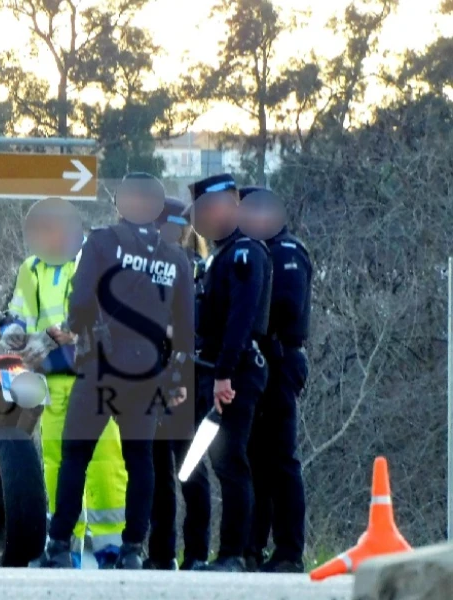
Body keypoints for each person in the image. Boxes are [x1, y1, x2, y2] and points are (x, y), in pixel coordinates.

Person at [39, 173, 194, 570]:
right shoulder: (176, 259)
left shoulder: (104, 241)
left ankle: (58, 545)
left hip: (101, 367)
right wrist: (177, 379)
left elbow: (80, 300)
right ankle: (133, 550)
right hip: (148, 373)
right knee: (140, 459)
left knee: (76, 456)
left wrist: (82, 329)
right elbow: (185, 327)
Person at [0, 197, 128, 568]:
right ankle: (64, 547)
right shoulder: (31, 268)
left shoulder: (95, 260)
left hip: (95, 374)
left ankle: (111, 550)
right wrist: (15, 333)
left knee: (105, 461)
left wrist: (69, 335)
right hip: (54, 378)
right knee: (55, 463)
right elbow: (20, 312)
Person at [185, 173, 273, 572]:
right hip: (210, 370)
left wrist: (223, 375)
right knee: (211, 461)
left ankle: (234, 554)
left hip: (233, 372)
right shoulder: (216, 255)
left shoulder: (245, 252)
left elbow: (240, 319)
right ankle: (211, 553)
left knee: (230, 462)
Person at [239, 186, 312, 573]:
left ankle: (288, 551)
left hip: (280, 360)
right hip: (260, 362)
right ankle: (252, 548)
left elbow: (287, 306)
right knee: (256, 462)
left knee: (281, 461)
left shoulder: (285, 253)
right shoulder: (258, 253)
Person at [145, 198, 213, 571]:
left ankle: (195, 553)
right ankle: (163, 552)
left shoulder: (192, 267)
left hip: (184, 375)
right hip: (155, 374)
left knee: (188, 468)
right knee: (161, 469)